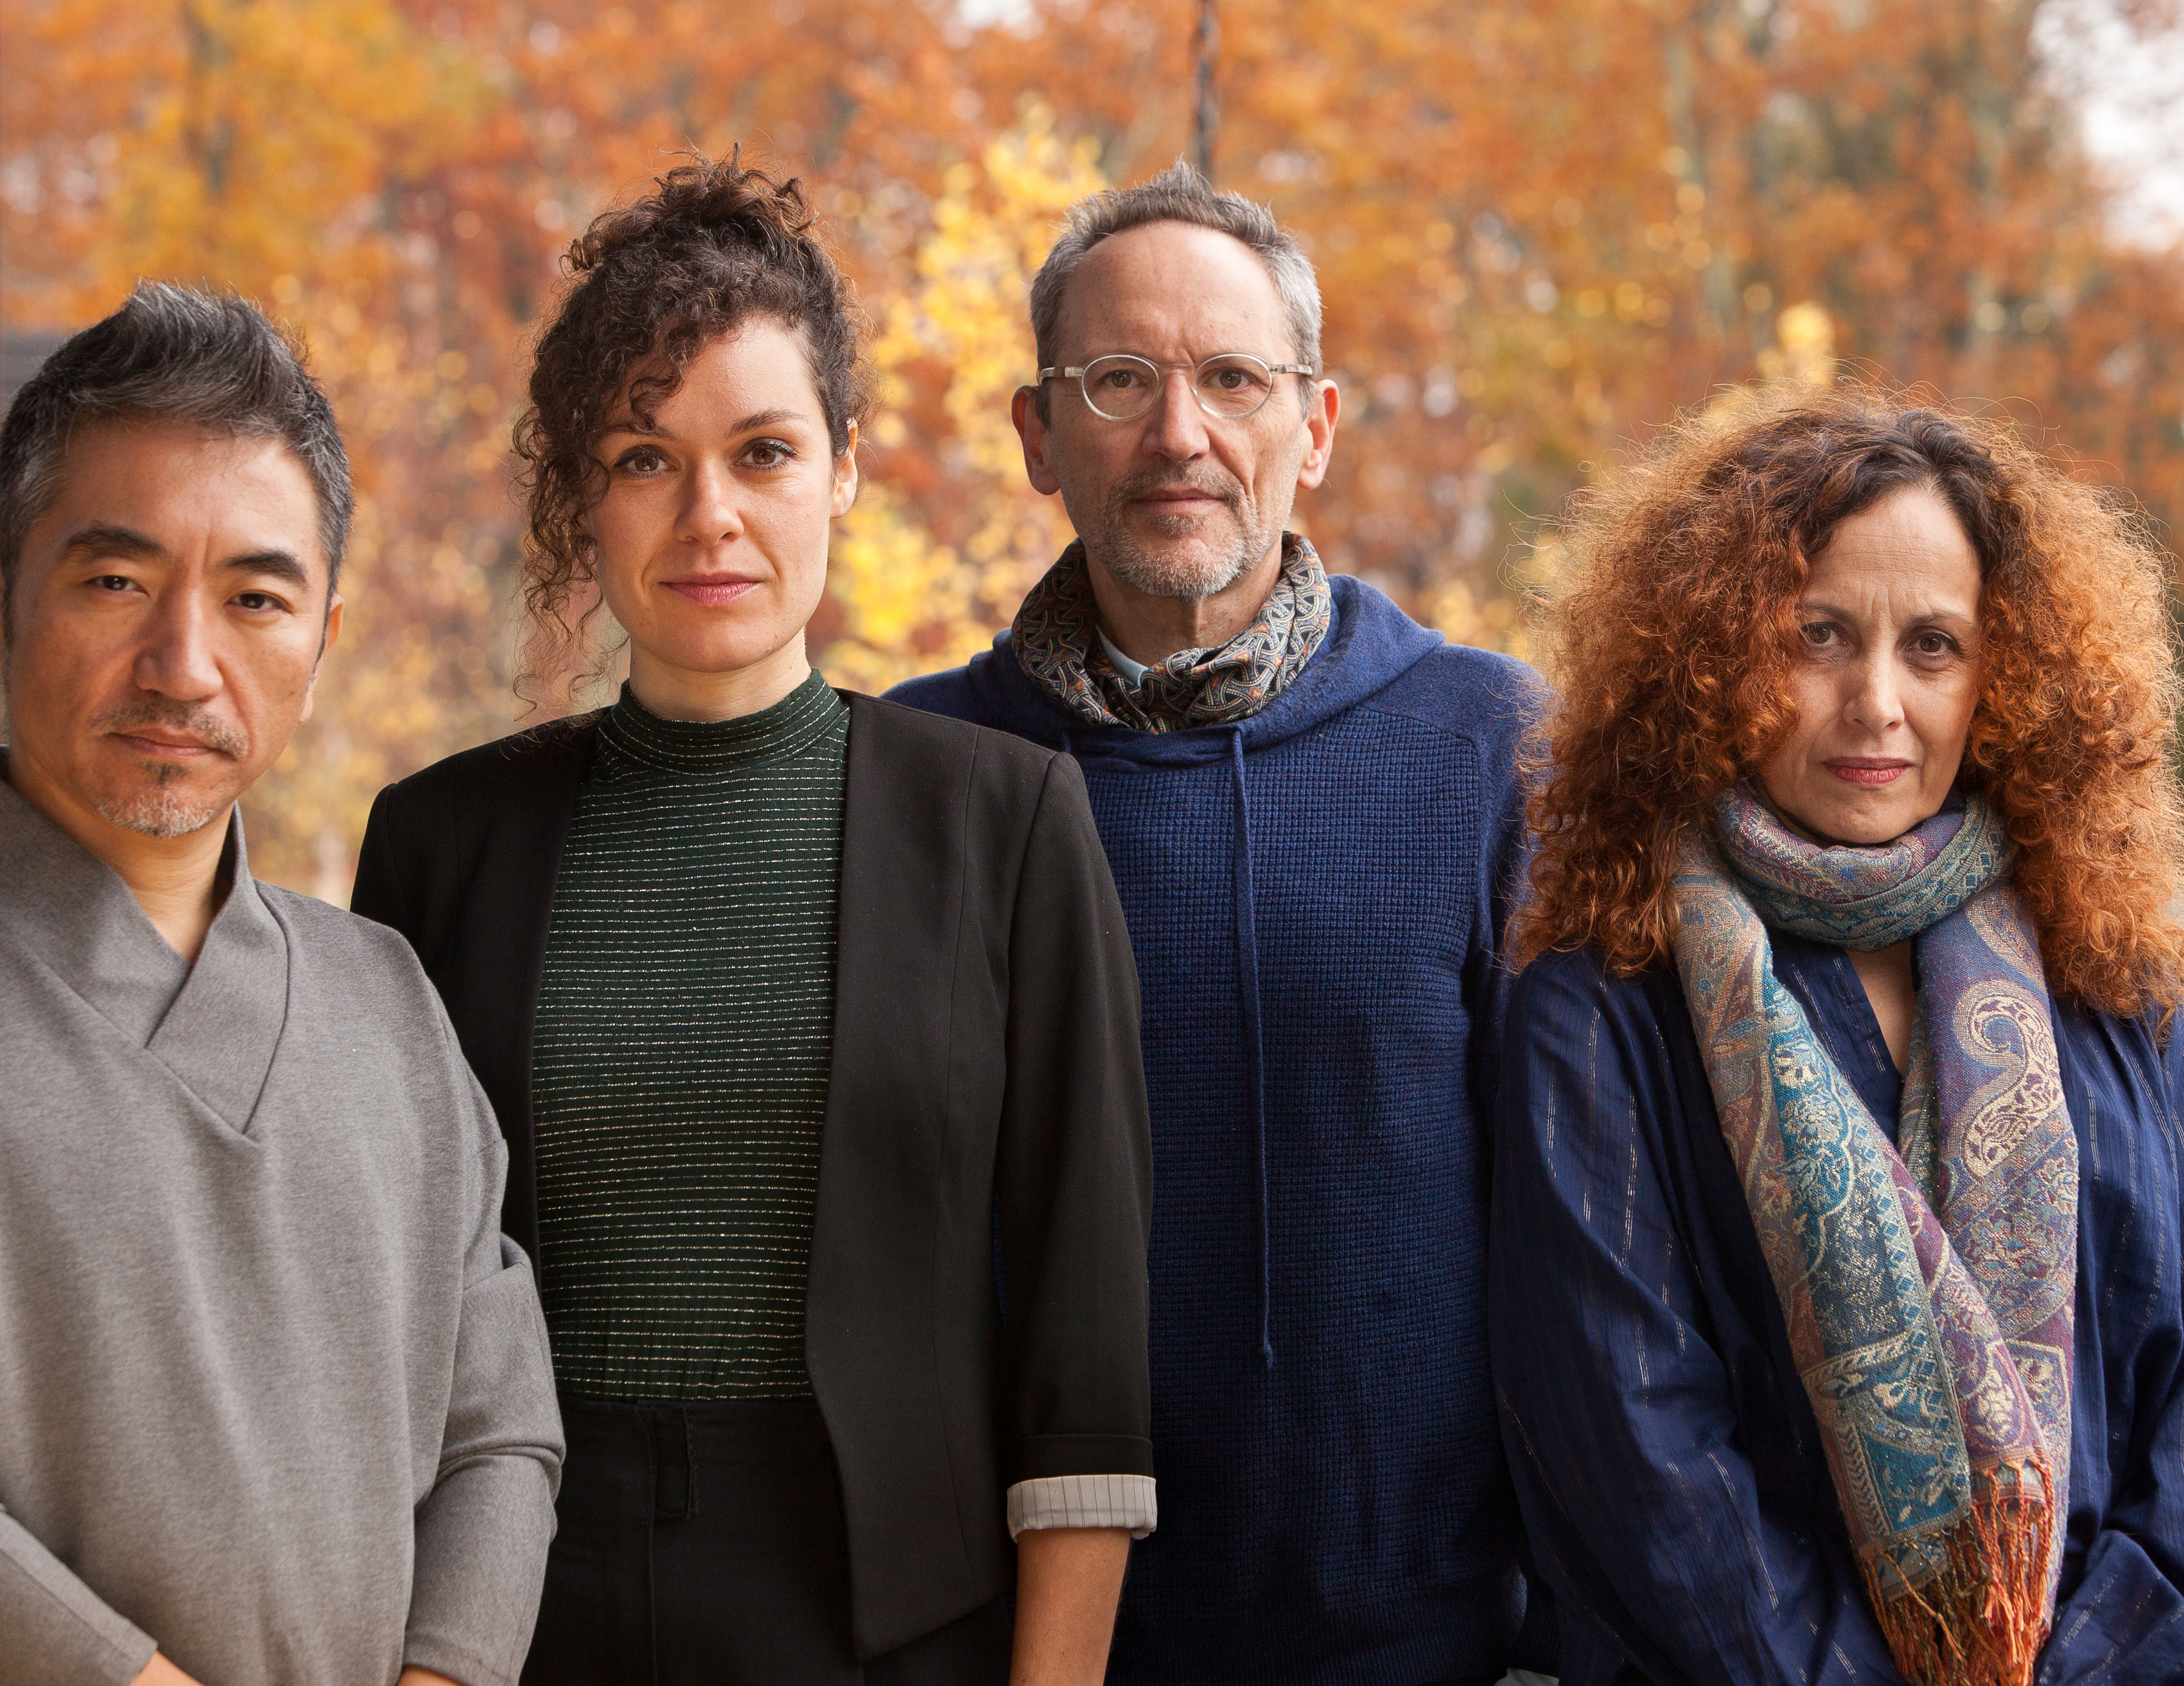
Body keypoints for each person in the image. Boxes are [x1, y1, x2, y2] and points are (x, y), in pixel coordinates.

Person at [350, 155, 1154, 1686]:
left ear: (844, 465)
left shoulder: (1008, 823)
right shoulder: (438, 843)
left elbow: (1084, 1359)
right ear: (580, 494)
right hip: (503, 1615)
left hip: (885, 1620)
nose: (708, 516)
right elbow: (384, 1317)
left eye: (763, 452)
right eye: (644, 458)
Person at [891, 164, 1549, 1684]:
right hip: (1020, 1645)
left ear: (1311, 429)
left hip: (1423, 1645)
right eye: (1119, 381)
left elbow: (1586, 1241)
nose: (1180, 434)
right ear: (1037, 435)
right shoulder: (917, 773)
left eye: (1234, 380)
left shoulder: (1488, 751)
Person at [1492, 386, 2184, 1686]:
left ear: (2005, 674)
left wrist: (2111, 1656)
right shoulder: (1603, 993)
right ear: (1712, 655)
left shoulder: (2114, 972)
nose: (1875, 702)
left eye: (1932, 646)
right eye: (1818, 636)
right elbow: (1634, 1453)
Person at [0, 284, 562, 1686]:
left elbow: (500, 1430)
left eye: (254, 598)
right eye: (115, 582)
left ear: (322, 641)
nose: (184, 664)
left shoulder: (386, 999)